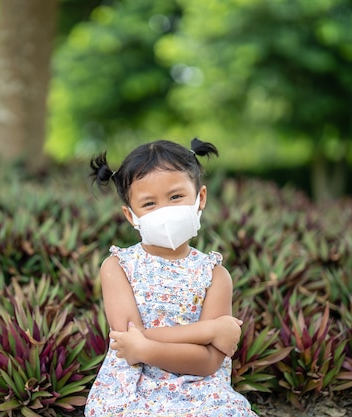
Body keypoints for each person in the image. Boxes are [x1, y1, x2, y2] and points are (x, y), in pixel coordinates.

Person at [85, 138, 257, 416]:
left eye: (176, 197)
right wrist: (210, 331)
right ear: (131, 216)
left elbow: (209, 362)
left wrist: (143, 345)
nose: (164, 211)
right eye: (149, 203)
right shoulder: (118, 267)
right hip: (133, 388)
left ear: (200, 198)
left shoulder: (214, 275)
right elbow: (131, 343)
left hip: (200, 390)